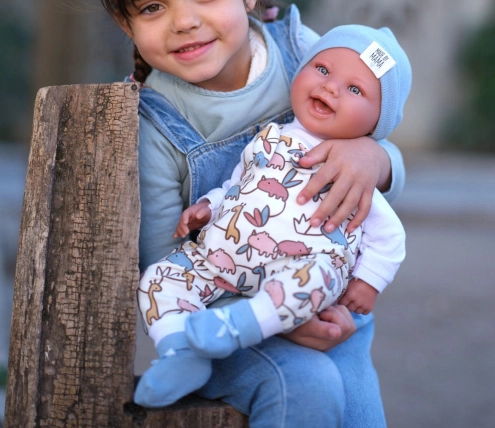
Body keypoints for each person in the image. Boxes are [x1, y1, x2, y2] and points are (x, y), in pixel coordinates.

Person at [98, 0, 407, 427]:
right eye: (152, 6)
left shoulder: (305, 53)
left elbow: (378, 130)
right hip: (224, 327)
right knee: (307, 386)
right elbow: (163, 266)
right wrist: (274, 320)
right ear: (127, 25)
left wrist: (374, 160)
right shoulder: (156, 124)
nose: (184, 20)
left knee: (360, 411)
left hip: (327, 300)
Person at [134, 24, 410, 407]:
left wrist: (369, 281)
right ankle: (181, 352)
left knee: (314, 280)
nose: (330, 87)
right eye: (324, 70)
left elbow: (390, 235)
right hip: (221, 259)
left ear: (378, 122)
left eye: (355, 90)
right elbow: (240, 185)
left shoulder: (349, 165)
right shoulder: (270, 137)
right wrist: (210, 207)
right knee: (158, 279)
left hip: (298, 268)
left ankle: (237, 326)